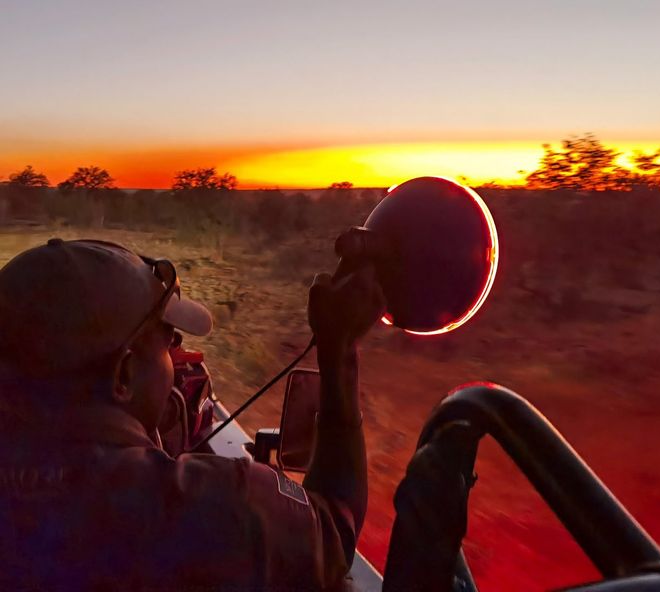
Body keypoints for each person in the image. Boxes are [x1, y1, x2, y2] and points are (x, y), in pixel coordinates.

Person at [0, 237, 385, 591]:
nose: (177, 361)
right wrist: (338, 348)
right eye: (168, 344)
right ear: (124, 375)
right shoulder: (214, 508)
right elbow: (335, 528)